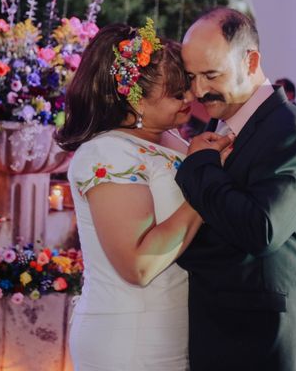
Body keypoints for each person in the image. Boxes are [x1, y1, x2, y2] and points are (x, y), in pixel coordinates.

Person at [175, 7, 296, 370]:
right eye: (192, 77)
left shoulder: (291, 132)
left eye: (211, 74)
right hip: (223, 334)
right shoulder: (219, 125)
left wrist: (200, 167)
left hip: (268, 343)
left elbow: (261, 229)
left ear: (251, 60)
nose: (198, 91)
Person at [58, 21, 216, 371]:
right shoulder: (107, 152)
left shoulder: (168, 139)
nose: (190, 98)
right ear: (133, 98)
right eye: (177, 93)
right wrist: (204, 193)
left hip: (168, 328)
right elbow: (138, 264)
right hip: (131, 334)